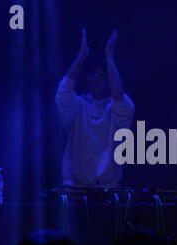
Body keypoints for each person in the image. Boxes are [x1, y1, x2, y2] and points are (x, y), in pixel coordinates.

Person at [56, 29, 135, 187]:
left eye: (100, 75)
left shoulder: (119, 109)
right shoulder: (78, 105)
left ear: (108, 80)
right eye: (92, 74)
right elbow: (64, 91)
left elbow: (118, 96)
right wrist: (81, 55)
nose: (95, 78)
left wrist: (109, 57)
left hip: (109, 190)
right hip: (74, 189)